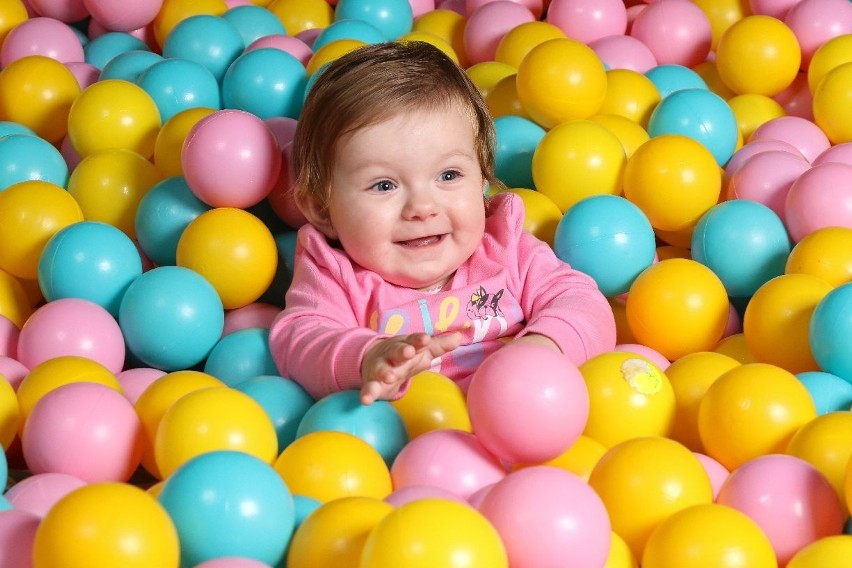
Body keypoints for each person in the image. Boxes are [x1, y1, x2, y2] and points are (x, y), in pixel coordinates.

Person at [268, 40, 616, 405]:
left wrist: (543, 348)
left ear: (482, 178)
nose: (422, 207)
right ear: (323, 209)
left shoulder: (506, 247)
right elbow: (299, 339)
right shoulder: (334, 273)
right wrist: (367, 357)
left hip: (524, 413)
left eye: (448, 175)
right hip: (407, 440)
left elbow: (582, 301)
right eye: (384, 185)